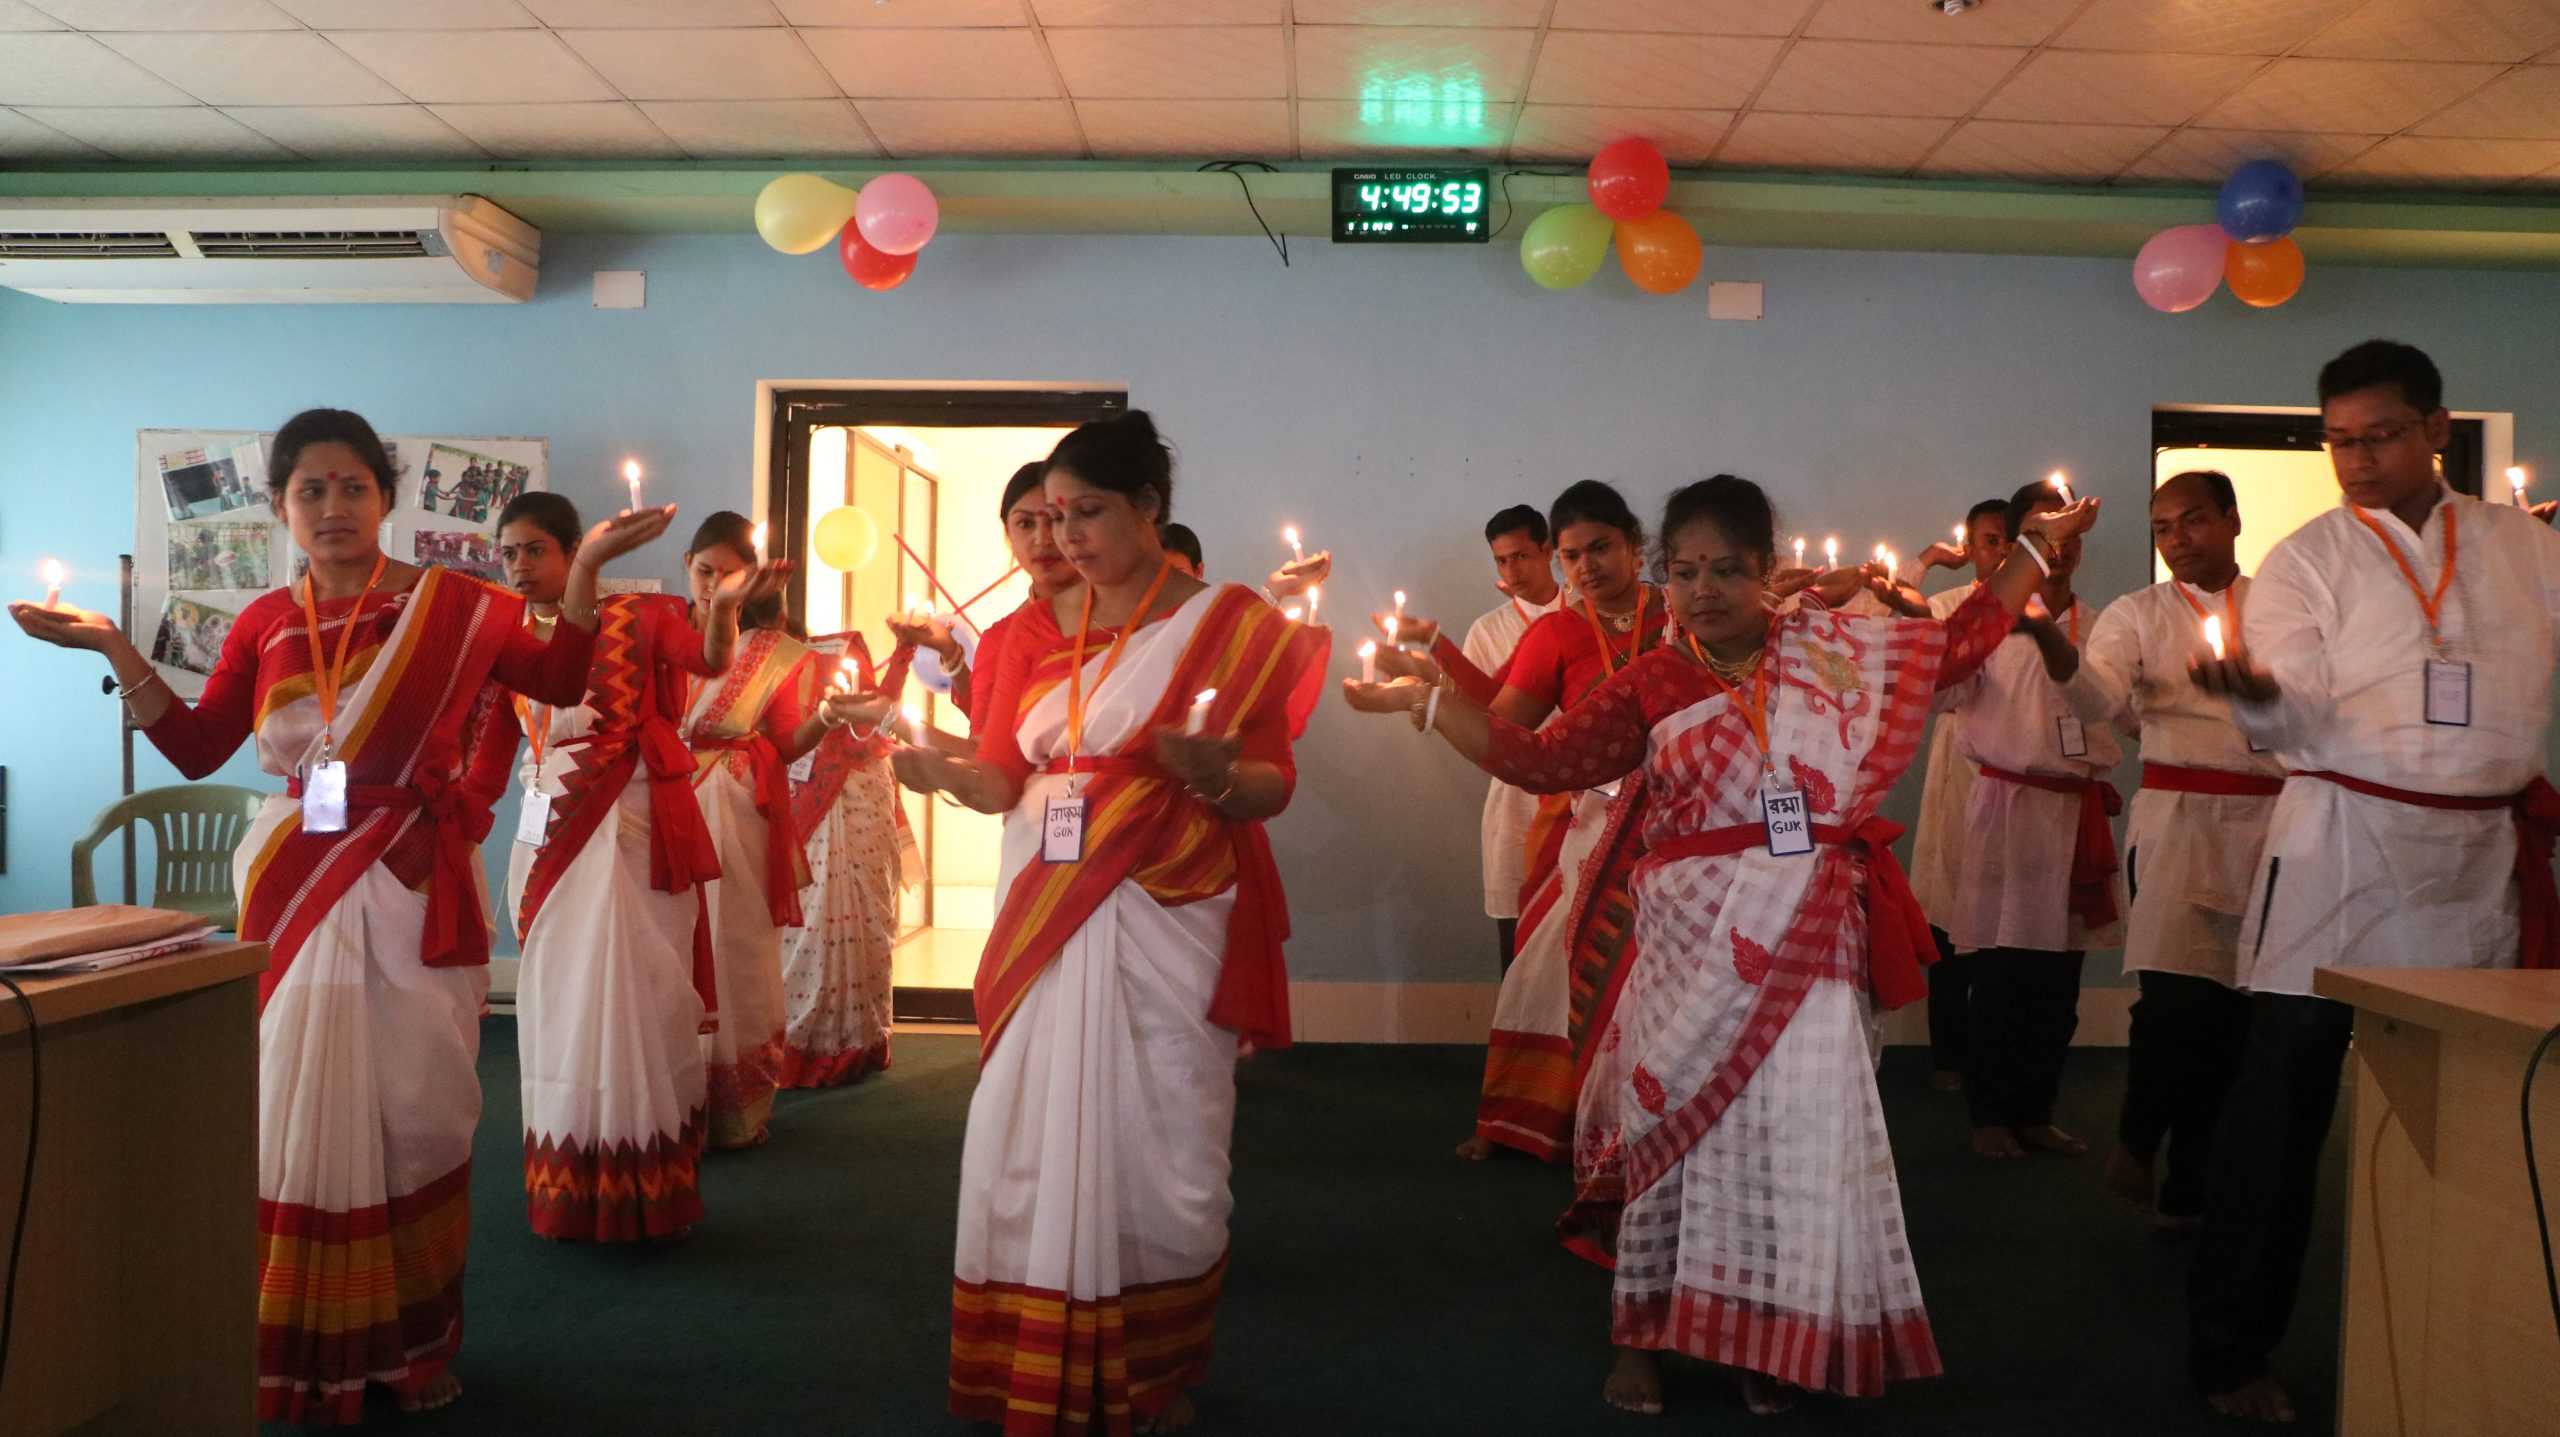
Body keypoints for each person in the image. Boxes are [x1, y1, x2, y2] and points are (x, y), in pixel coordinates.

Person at [1345, 474, 2101, 1416]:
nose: (1704, 590)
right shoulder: (1655, 679)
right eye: (1686, 571)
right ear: (1665, 575)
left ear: (1766, 570)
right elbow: (1538, 758)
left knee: (1792, 1138)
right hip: (1690, 944)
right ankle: (1642, 1334)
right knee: (1671, 1131)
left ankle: (1763, 1336)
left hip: (1812, 936)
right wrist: (1427, 704)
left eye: (1728, 570)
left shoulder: (1831, 652)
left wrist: (2036, 544)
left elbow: (1965, 637)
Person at [8, 408, 667, 1424]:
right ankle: (294, 1341)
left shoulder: (459, 605)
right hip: (293, 881)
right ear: (279, 506)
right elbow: (198, 746)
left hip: (412, 873)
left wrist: (582, 572)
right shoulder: (265, 621)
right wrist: (109, 642)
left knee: (418, 1109)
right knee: (289, 1105)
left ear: (385, 498)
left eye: (352, 486)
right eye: (309, 490)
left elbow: (559, 678)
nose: (332, 507)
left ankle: (413, 1343)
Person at [869, 410, 1325, 1435]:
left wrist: (1220, 775)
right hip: (1044, 899)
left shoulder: (1228, 623)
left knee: (1168, 1134)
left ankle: (1154, 1370)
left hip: (1170, 897)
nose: (1066, 536)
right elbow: (1001, 777)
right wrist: (938, 773)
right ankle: (1029, 1353)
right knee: (1023, 1121)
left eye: (1088, 513)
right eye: (1052, 516)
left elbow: (1273, 780)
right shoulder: (1035, 629)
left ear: (1150, 507)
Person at [2187, 339, 2560, 1424]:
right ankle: (2229, 1349)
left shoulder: (2523, 546)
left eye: (2379, 436)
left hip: (2479, 851)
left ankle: (2483, 1316)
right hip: (2341, 845)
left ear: (2436, 430)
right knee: (2280, 1104)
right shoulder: (2307, 558)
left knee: (2486, 1097)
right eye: (2337, 441)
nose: (2355, 461)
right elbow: (2290, 708)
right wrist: (2249, 693)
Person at [482, 492, 782, 1242]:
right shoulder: (504, 637)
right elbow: (490, 756)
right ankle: (571, 1182)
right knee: (560, 998)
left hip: (636, 819)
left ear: (576, 550)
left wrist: (724, 607)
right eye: (509, 552)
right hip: (548, 831)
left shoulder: (641, 616)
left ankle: (649, 1183)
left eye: (536, 550)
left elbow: (710, 660)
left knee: (646, 989)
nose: (520, 566)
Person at [1397, 480, 1667, 1163]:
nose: (1587, 566)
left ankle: (1656, 1121)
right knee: (1543, 972)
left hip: (1680, 825)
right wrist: (1428, 695)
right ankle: (1531, 1119)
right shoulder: (1557, 632)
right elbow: (1507, 722)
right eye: (1574, 555)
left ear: (1634, 545)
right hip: (1589, 823)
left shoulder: (1678, 615)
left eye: (1601, 547)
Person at [2064, 471, 2279, 1231]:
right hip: (2180, 822)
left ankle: (2194, 1183)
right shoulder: (2138, 613)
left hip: (2271, 827)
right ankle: (2137, 1135)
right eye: (2162, 527)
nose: (2177, 539)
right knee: (2176, 1002)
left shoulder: (2280, 606)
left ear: (2233, 520)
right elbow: (2098, 698)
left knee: (2239, 1018)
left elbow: (2316, 706)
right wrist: (2055, 654)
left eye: (2193, 521)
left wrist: (2259, 693)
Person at [1939, 479, 2126, 1160]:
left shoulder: (2104, 625)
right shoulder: (1986, 624)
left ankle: (2036, 1110)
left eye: (2071, 529)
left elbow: (2114, 710)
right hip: (2008, 809)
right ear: (2024, 542)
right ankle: (1991, 1114)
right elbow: (1940, 688)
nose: (2062, 544)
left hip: (2074, 814)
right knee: (2001, 973)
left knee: (2059, 981)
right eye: (2048, 529)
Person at [680, 511, 833, 1150]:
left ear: (755, 581)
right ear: (686, 567)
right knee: (669, 942)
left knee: (735, 944)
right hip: (654, 804)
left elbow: (787, 741)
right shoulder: (654, 632)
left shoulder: (772, 654)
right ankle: (668, 1102)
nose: (713, 585)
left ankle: (733, 1108)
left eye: (730, 575)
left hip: (736, 810)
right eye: (704, 571)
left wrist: (829, 717)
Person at [1905, 499, 2015, 1092]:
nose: (2000, 551)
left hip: (2017, 772)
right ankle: (1948, 1053)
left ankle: (1999, 1052)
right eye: (1989, 541)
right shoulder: (1947, 606)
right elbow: (1902, 635)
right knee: (1949, 915)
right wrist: (1924, 562)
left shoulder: (2033, 610)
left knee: (2005, 921)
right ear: (1969, 549)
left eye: (2009, 541)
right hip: (1958, 765)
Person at [776, 625, 916, 1086]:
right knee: (805, 925)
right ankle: (801, 1046)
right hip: (803, 804)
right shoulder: (764, 675)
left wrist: (904, 654)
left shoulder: (839, 661)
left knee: (862, 919)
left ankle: (857, 1040)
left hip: (856, 803)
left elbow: (872, 721)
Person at [1458, 503, 1567, 972]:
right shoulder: (1487, 630)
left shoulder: (1588, 613)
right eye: (1501, 560)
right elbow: (1477, 720)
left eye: (1521, 556)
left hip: (1584, 794)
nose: (1512, 570)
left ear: (1548, 550)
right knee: (1518, 951)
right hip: (1515, 801)